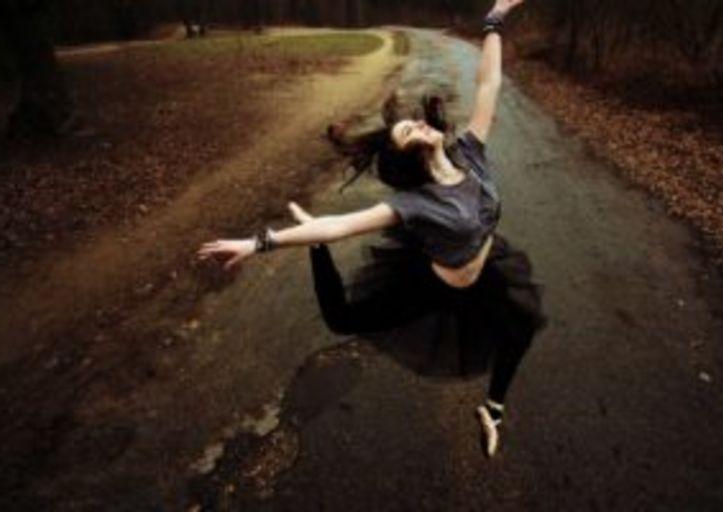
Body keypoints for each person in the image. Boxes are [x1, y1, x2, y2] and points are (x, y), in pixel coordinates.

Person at [198, 0, 542, 457]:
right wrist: (260, 242)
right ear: (409, 159)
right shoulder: (413, 202)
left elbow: (489, 83)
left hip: (484, 270)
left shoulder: (470, 153)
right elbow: (340, 225)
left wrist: (495, 18)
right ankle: (312, 247)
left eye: (413, 123)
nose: (418, 124)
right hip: (432, 285)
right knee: (342, 319)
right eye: (408, 133)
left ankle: (492, 409)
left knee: (519, 329)